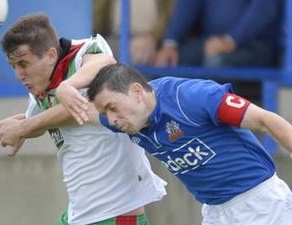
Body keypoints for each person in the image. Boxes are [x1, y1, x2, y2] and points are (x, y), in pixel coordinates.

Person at [0, 14, 168, 225]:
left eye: (23, 64)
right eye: (13, 66)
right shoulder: (42, 90)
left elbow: (84, 100)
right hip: (80, 215)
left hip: (117, 214)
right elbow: (27, 123)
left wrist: (62, 91)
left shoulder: (84, 57)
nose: (18, 74)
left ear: (51, 55)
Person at [55, 63, 292, 225]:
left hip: (261, 204)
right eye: (105, 112)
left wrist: (67, 85)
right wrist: (27, 125)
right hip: (215, 212)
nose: (112, 119)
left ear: (137, 92)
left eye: (112, 107)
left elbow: (265, 120)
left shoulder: (190, 97)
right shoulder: (123, 120)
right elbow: (78, 111)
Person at [156, 0, 281, 68]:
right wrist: (170, 43)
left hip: (255, 44)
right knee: (166, 63)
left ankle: (224, 114)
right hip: (211, 42)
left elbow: (264, 10)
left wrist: (232, 40)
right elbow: (188, 5)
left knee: (217, 62)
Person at [93, 0, 174, 65]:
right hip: (113, 38)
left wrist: (153, 36)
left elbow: (171, 13)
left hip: (154, 40)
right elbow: (95, 18)